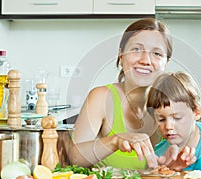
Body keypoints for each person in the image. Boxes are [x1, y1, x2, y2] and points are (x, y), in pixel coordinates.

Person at [69, 18, 178, 170]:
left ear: (166, 62)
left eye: (157, 53)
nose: (146, 60)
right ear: (121, 55)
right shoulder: (101, 98)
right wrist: (114, 141)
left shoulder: (173, 104)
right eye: (136, 49)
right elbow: (73, 157)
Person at [146, 71, 201, 171]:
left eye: (177, 118)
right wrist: (171, 168)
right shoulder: (159, 153)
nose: (168, 126)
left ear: (196, 112)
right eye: (161, 119)